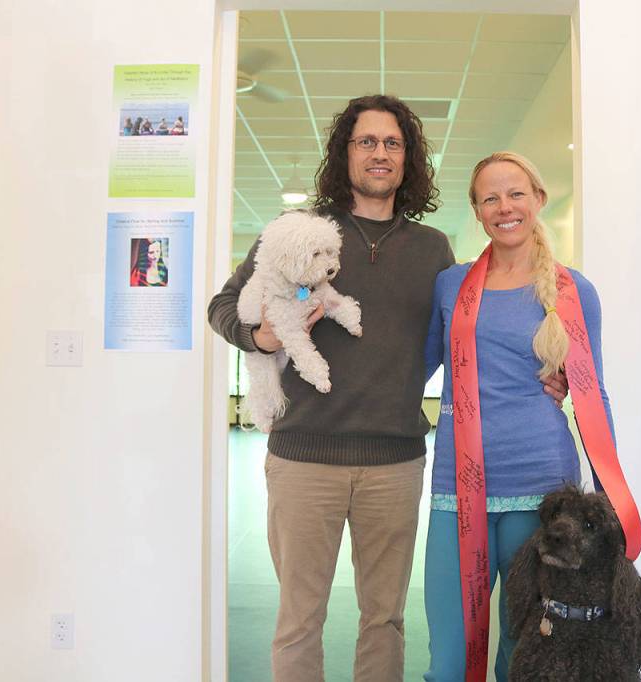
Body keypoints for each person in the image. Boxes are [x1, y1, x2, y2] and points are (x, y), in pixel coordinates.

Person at [207, 94, 456, 682]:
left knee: (385, 620)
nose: (380, 153)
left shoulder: (432, 248)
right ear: (344, 153)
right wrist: (261, 338)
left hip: (395, 461)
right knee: (299, 620)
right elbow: (222, 305)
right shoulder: (297, 232)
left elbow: (456, 340)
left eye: (392, 143)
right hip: (304, 457)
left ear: (408, 157)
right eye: (366, 141)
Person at [422, 152, 615, 681]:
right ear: (477, 211)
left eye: (515, 194)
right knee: (448, 657)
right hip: (456, 487)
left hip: (542, 487)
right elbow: (414, 369)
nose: (504, 207)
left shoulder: (575, 291)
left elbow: (593, 394)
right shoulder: (451, 286)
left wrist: (609, 500)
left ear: (537, 199)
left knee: (523, 649)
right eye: (490, 198)